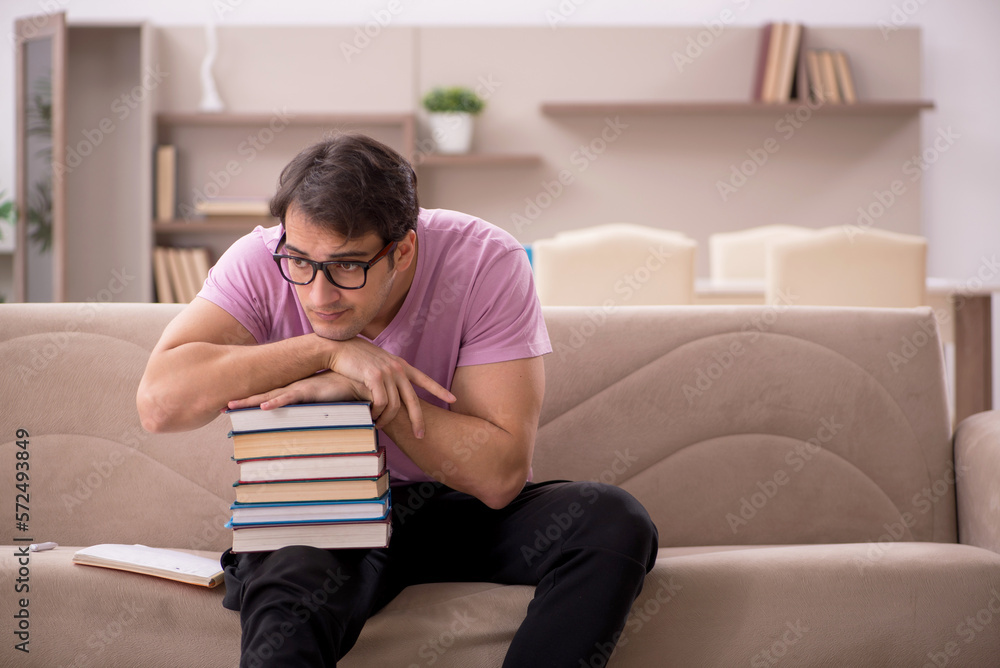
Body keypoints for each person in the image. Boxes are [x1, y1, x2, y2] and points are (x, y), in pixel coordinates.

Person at [137, 133, 658, 668]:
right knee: (289, 581)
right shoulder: (259, 258)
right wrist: (327, 351)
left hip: (454, 509)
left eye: (347, 266)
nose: (319, 295)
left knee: (612, 520)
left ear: (403, 250)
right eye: (300, 262)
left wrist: (373, 395)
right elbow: (159, 403)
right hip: (325, 506)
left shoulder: (485, 261)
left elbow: (500, 477)